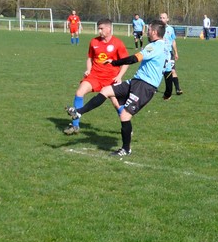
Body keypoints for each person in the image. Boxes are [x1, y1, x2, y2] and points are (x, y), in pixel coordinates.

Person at [66, 20, 167, 156]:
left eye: (148, 30)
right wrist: (169, 90)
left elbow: (133, 59)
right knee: (106, 91)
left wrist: (115, 62)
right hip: (135, 81)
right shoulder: (162, 47)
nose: (146, 32)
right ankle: (79, 112)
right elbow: (168, 70)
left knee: (125, 115)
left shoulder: (155, 46)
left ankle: (126, 149)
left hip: (145, 86)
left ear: (154, 32)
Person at [64, 19, 129, 135]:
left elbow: (126, 62)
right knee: (79, 92)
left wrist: (119, 76)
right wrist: (88, 69)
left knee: (116, 103)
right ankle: (75, 125)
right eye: (98, 29)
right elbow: (90, 58)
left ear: (109, 29)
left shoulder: (118, 43)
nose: (99, 31)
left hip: (111, 78)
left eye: (101, 29)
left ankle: (128, 128)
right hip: (95, 76)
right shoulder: (94, 42)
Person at [159, 12, 183, 99]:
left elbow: (173, 41)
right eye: (161, 17)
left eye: (164, 18)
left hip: (169, 53)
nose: (162, 19)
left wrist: (176, 52)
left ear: (167, 19)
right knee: (160, 71)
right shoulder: (157, 28)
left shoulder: (170, 29)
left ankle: (178, 89)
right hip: (160, 53)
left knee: (172, 70)